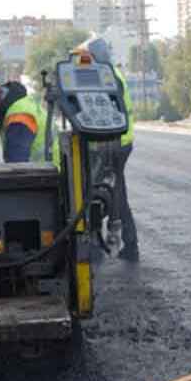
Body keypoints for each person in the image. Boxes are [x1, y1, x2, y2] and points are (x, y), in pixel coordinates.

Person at [75, 35, 138, 262]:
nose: (81, 61)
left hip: (111, 144)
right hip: (118, 142)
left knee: (102, 193)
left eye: (85, 57)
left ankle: (103, 246)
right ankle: (125, 246)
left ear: (94, 56)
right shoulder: (109, 72)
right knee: (114, 193)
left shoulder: (104, 76)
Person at [0, 74, 58, 165]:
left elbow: (17, 167)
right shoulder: (17, 106)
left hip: (52, 173)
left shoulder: (18, 117)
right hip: (50, 170)